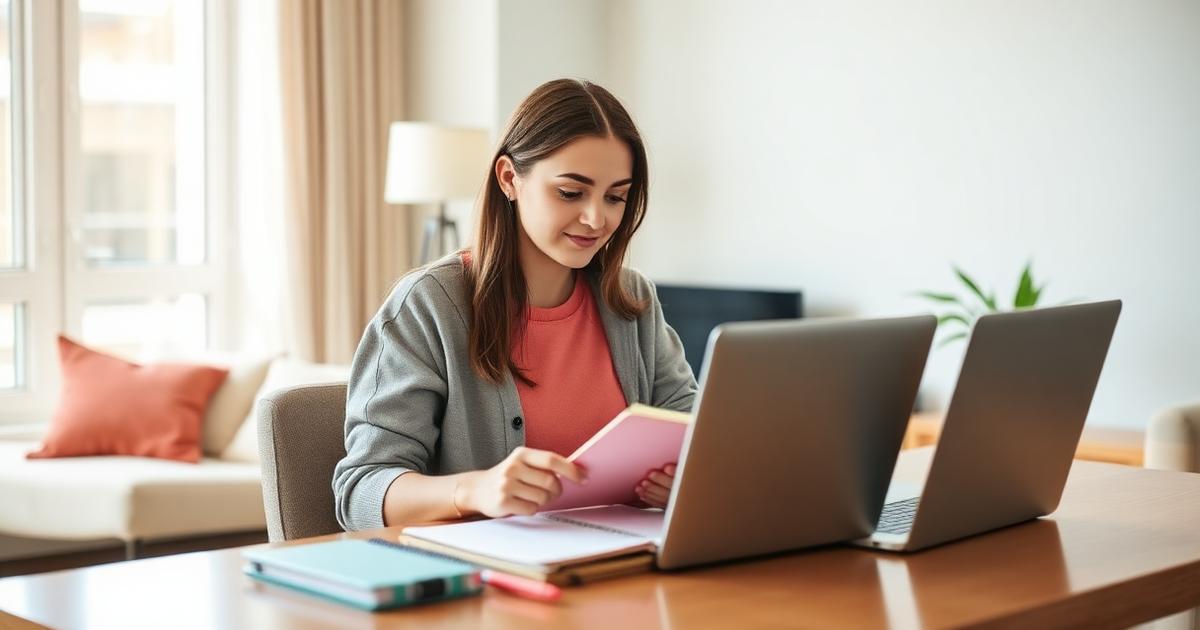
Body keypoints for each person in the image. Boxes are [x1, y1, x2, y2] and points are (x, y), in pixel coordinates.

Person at [333, 79, 697, 531]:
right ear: (509, 178)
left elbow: (694, 434)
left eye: (616, 197)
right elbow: (361, 491)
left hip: (618, 568)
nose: (596, 218)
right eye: (570, 192)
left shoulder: (632, 301)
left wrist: (686, 477)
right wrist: (475, 490)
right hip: (487, 584)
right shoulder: (428, 306)